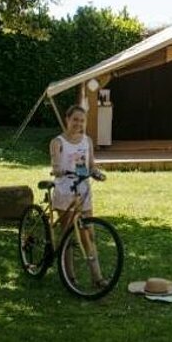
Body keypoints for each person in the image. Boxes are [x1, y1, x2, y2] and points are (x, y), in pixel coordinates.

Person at [49, 104, 106, 286]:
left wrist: (96, 173)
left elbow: (90, 165)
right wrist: (58, 170)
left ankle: (97, 277)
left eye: (82, 120)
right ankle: (70, 276)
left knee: (88, 233)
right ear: (67, 119)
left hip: (83, 190)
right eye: (75, 119)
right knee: (67, 235)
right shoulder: (57, 142)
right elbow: (56, 165)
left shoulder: (86, 141)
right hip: (65, 191)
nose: (78, 123)